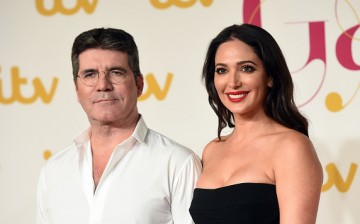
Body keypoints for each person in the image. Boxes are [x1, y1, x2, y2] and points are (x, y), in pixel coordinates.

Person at [37, 27, 202, 224]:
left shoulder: (177, 163)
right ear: (76, 89)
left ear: (139, 84)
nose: (103, 85)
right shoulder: (53, 170)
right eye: (90, 74)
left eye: (116, 72)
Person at [189, 24, 323, 224]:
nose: (233, 82)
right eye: (222, 70)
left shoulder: (292, 147)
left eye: (246, 68)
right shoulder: (212, 150)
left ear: (270, 76)